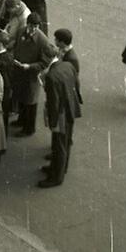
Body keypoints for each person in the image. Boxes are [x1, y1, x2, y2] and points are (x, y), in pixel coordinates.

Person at [38, 44, 82, 187]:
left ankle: (56, 177)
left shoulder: (51, 76)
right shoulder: (67, 65)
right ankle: (60, 168)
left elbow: (54, 102)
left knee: (59, 143)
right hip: (70, 107)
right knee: (65, 141)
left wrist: (52, 121)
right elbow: (76, 82)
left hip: (60, 113)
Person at [12, 13, 52, 136]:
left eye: (36, 26)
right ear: (27, 24)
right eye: (31, 26)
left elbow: (45, 62)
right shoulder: (21, 32)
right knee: (21, 98)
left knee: (30, 102)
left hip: (31, 76)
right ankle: (21, 120)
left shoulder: (43, 41)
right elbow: (16, 46)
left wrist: (30, 66)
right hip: (19, 72)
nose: (33, 29)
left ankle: (29, 128)